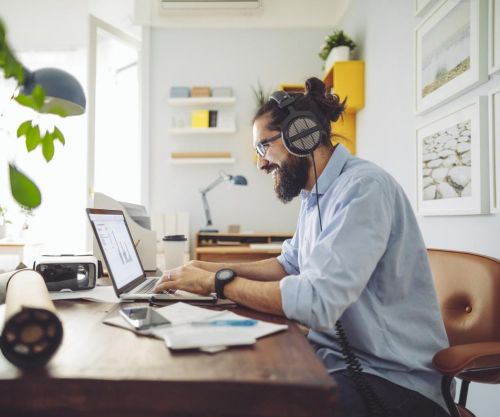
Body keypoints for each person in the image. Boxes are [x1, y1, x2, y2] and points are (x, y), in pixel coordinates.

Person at [154, 77, 450, 417]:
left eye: (264, 147)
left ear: (301, 134)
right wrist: (207, 268)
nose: (261, 163)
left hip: (392, 382)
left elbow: (315, 303)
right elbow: (287, 265)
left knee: (250, 403)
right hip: (337, 362)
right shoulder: (315, 197)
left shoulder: (364, 189)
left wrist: (217, 283)